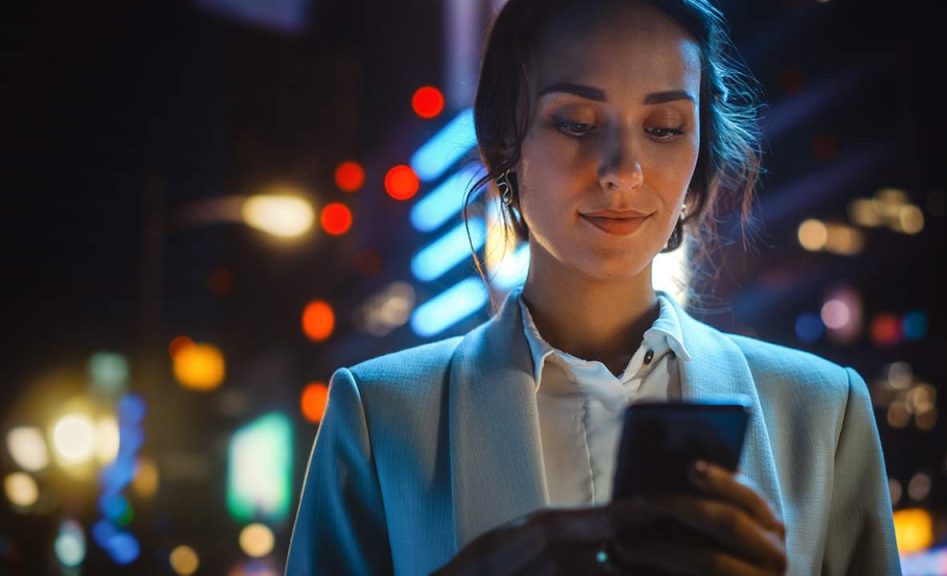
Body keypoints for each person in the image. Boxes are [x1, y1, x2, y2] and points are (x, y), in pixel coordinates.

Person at [285, 0, 902, 574]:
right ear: (506, 144)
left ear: (699, 158)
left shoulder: (823, 412)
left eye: (663, 128)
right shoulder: (380, 416)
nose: (623, 171)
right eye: (577, 123)